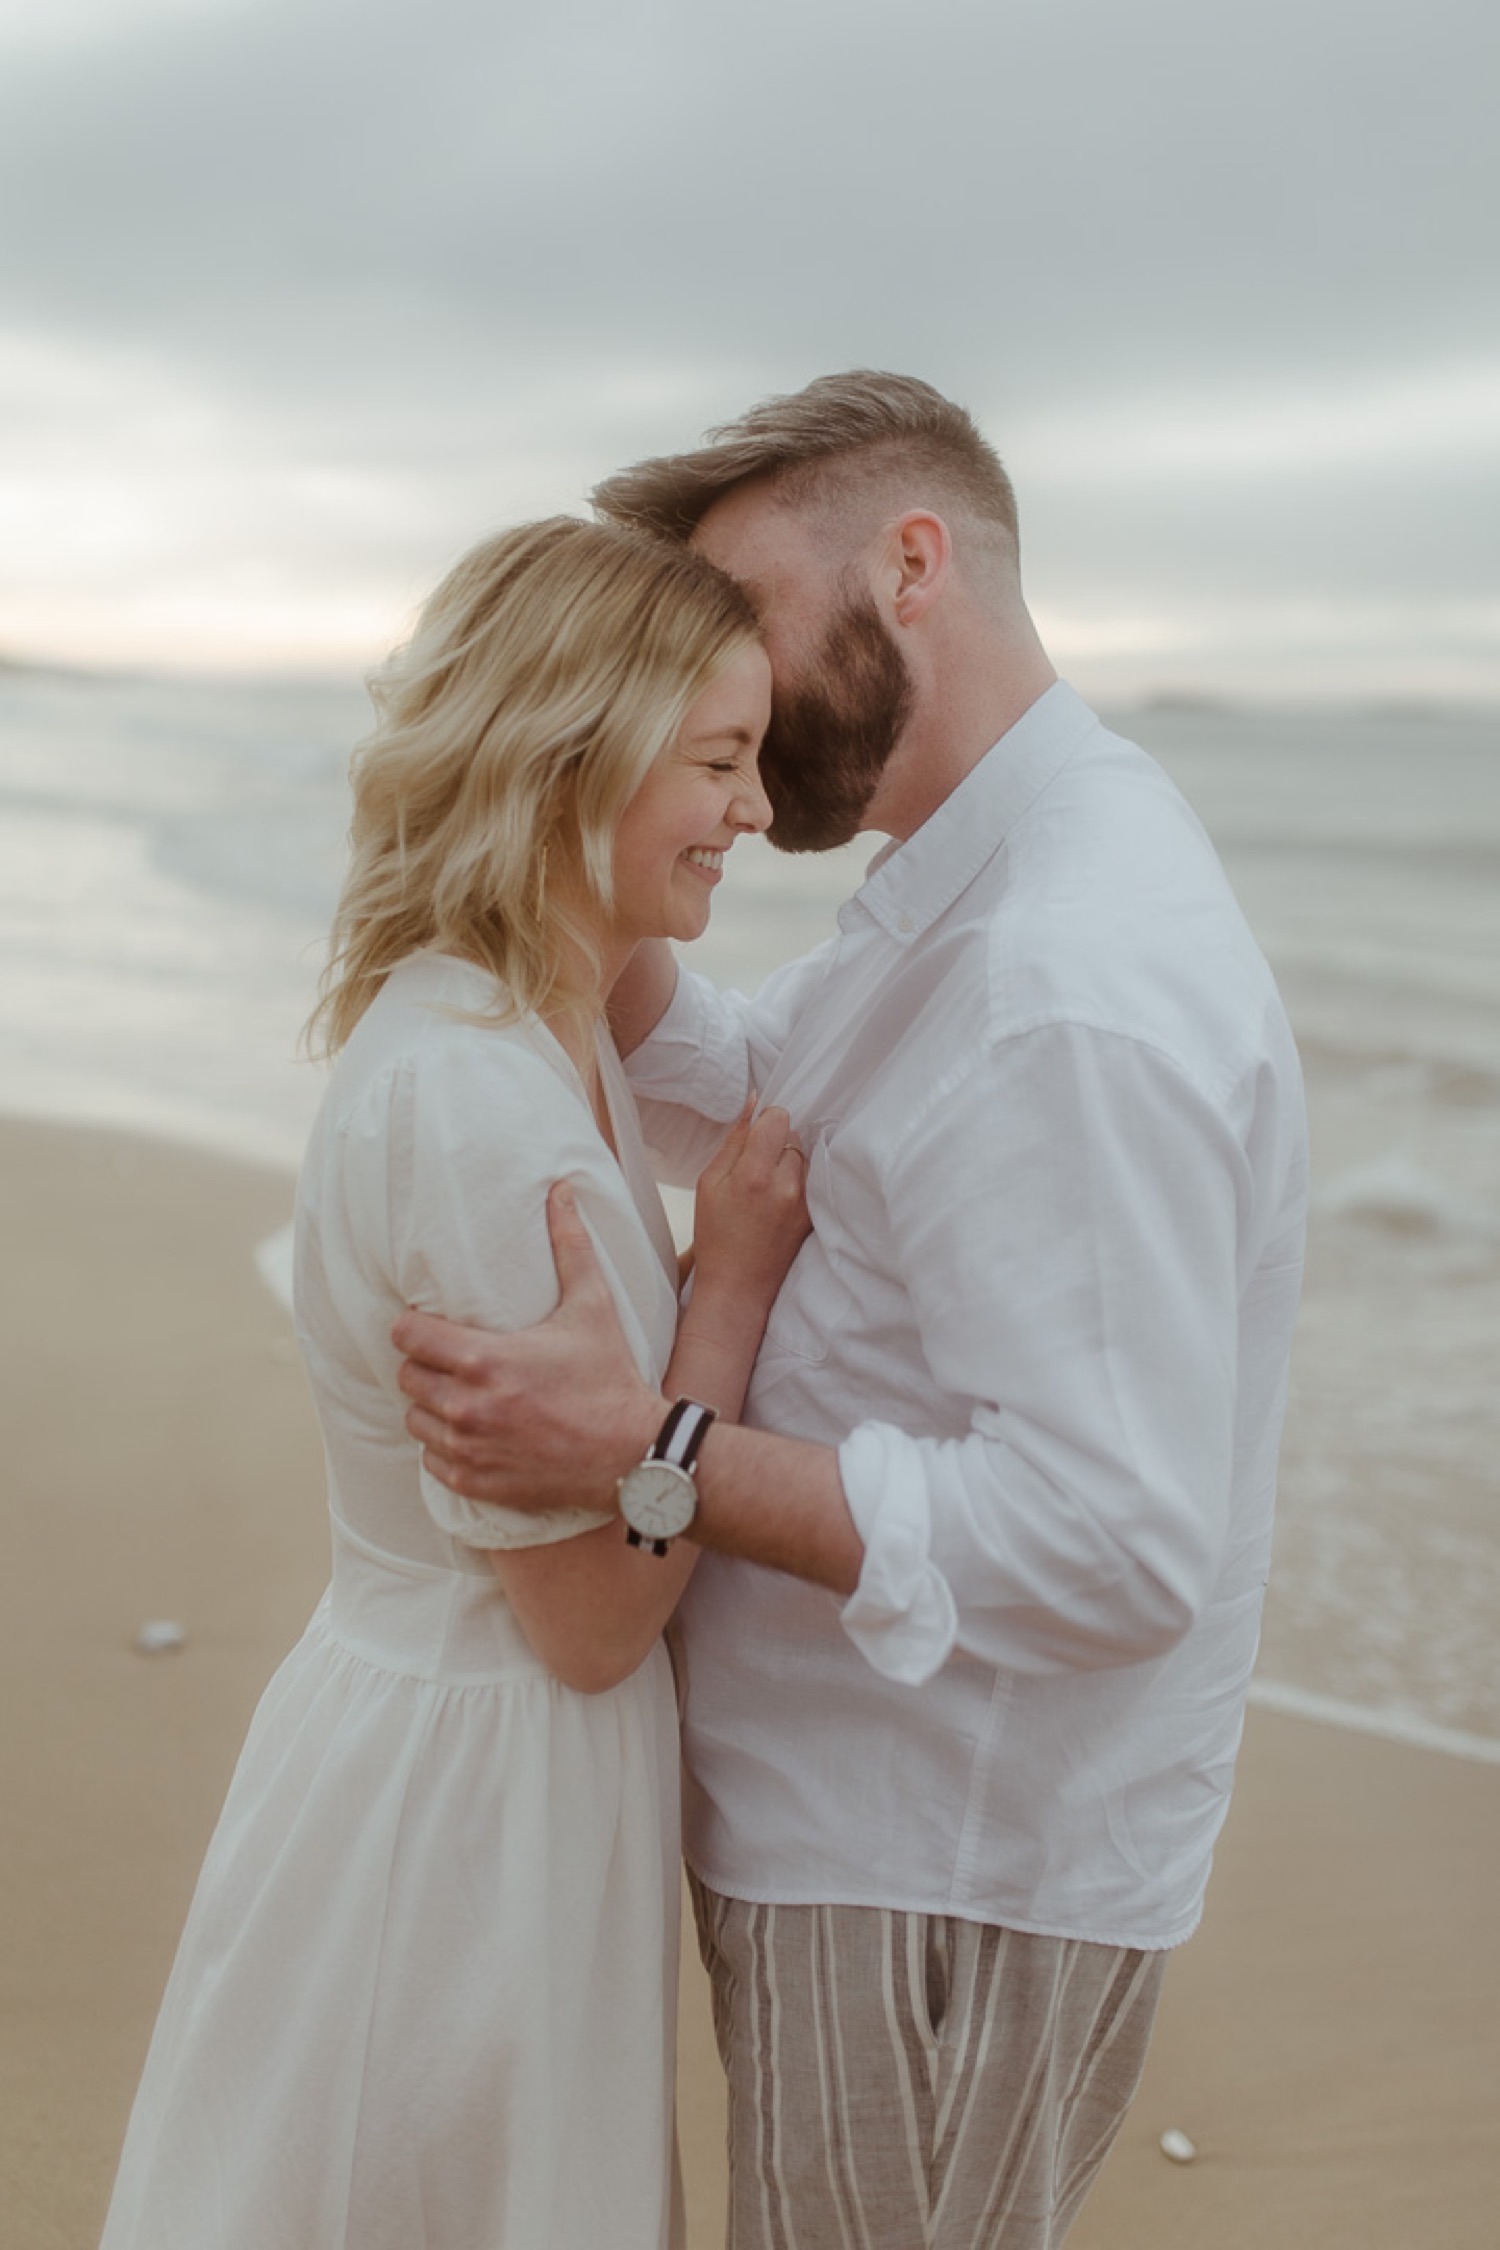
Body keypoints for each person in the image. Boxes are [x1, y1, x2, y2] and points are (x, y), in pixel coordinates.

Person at [395, 373, 1311, 2250]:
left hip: (939, 1865)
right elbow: (771, 1125)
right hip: (869, 1833)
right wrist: (572, 820)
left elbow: (1117, 1540)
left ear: (913, 565)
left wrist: (652, 1453)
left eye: (746, 620)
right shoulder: (967, 885)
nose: (721, 687)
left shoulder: (1065, 975)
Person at [98, 517, 811, 2250]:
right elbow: (584, 1616)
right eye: (720, 759)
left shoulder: (513, 1015)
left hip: (455, 1757)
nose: (760, 810)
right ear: (576, 754)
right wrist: (723, 1297)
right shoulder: (487, 1115)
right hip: (471, 1801)